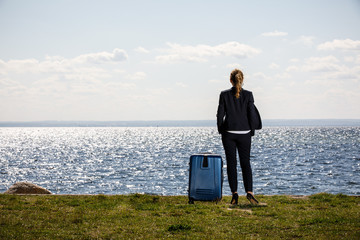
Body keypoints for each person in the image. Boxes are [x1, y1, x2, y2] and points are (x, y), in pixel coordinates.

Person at [216, 69, 261, 205]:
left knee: (231, 164)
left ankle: (234, 194)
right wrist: (251, 131)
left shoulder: (224, 95)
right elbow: (252, 115)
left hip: (229, 133)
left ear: (231, 80)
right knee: (245, 163)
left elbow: (220, 115)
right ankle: (249, 192)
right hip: (244, 134)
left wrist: (221, 130)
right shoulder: (248, 95)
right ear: (242, 80)